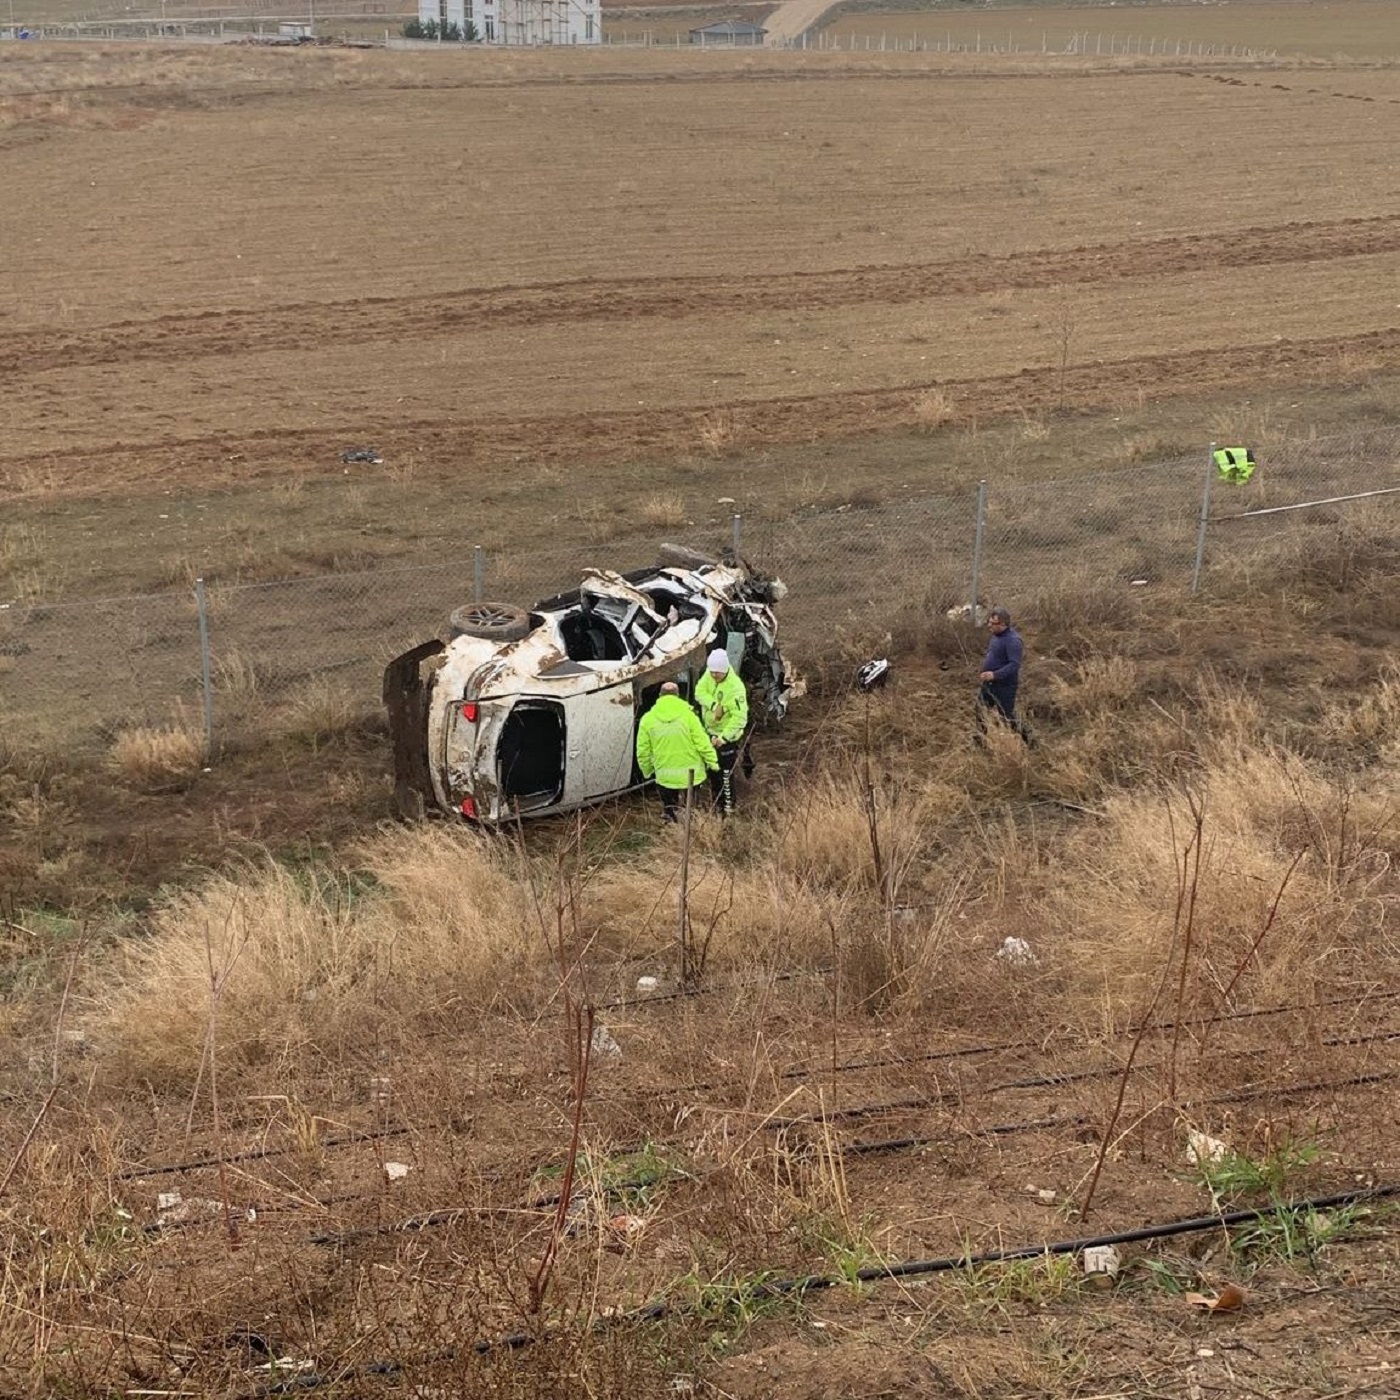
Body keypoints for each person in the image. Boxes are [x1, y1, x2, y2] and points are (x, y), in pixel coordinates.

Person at [636, 681, 718, 823]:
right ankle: (692, 830)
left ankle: (672, 828)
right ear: (678, 695)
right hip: (692, 775)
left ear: (660, 695)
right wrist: (713, 763)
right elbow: (702, 743)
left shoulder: (647, 719)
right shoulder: (689, 717)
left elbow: (643, 751)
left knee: (670, 810)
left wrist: (647, 771)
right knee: (692, 812)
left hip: (665, 776)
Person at [694, 647, 749, 815]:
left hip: (726, 737)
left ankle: (728, 807)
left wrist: (723, 738)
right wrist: (714, 705)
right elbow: (699, 692)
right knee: (713, 771)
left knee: (725, 774)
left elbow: (740, 718)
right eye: (711, 672)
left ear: (724, 670)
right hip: (710, 732)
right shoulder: (709, 675)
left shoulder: (735, 688)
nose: (713, 676)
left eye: (717, 673)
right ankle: (716, 805)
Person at [978, 606, 1029, 741]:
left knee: (1007, 717)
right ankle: (980, 742)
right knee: (980, 711)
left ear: (1003, 624)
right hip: (989, 684)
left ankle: (1029, 741)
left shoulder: (1013, 641)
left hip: (1005, 686)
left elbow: (1014, 665)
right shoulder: (995, 636)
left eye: (993, 623)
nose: (989, 626)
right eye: (989, 622)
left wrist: (995, 674)